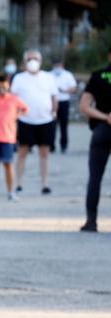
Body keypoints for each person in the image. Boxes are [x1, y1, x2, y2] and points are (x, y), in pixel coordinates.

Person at [11, 49, 59, 194]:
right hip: (25, 121)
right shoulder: (19, 78)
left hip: (45, 120)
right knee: (22, 152)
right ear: (25, 62)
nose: (33, 61)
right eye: (30, 59)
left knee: (44, 153)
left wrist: (54, 111)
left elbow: (54, 96)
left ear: (40, 61)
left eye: (35, 59)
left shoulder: (48, 77)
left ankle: (44, 184)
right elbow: (13, 99)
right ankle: (18, 183)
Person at [78, 49, 111, 232]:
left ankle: (91, 221)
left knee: (95, 178)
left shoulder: (98, 76)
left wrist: (105, 117)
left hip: (102, 130)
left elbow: (84, 106)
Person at [0, 73, 29, 200]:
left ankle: (11, 192)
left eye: (3, 85)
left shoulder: (14, 99)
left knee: (8, 164)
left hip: (8, 137)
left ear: (8, 85)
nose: (1, 88)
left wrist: (16, 116)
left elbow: (25, 109)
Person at [51, 59, 78, 153]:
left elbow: (74, 88)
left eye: (59, 65)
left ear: (62, 65)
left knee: (63, 125)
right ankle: (51, 146)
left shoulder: (68, 75)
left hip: (64, 102)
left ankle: (64, 145)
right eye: (56, 65)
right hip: (52, 102)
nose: (58, 67)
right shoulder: (49, 75)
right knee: (51, 125)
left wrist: (65, 90)